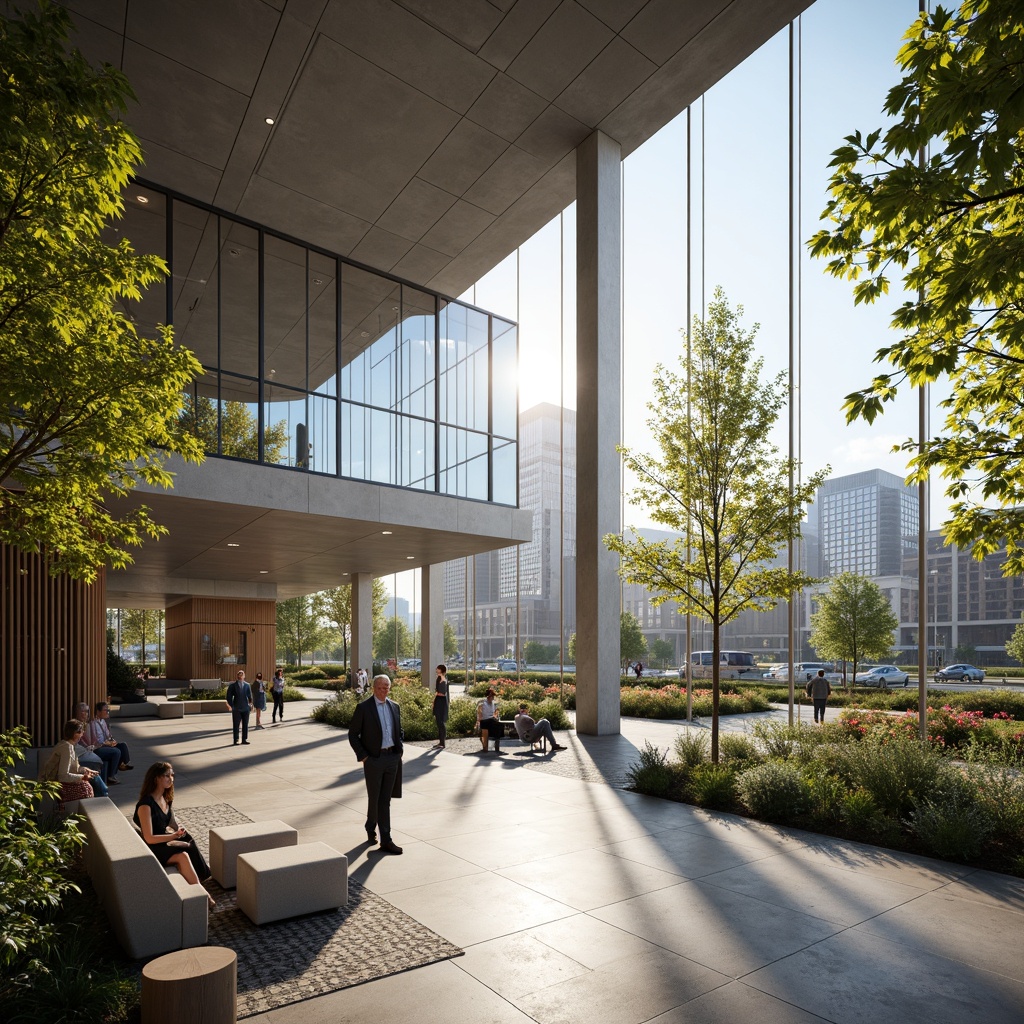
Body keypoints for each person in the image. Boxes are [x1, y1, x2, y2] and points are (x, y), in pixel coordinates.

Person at [134, 762, 214, 908]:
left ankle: (200, 883)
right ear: (156, 778)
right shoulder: (146, 805)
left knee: (188, 840)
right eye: (167, 776)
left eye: (172, 775)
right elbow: (149, 838)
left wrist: (178, 829)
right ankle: (204, 895)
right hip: (154, 847)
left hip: (163, 841)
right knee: (183, 855)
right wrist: (172, 836)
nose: (171, 779)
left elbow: (170, 821)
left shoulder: (166, 798)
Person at [348, 675, 404, 854]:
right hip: (374, 760)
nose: (384, 691)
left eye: (387, 687)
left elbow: (399, 730)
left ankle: (385, 839)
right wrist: (364, 757)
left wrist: (399, 750)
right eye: (381, 687)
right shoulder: (364, 708)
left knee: (385, 800)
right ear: (374, 688)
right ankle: (371, 826)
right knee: (375, 798)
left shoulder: (394, 706)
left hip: (392, 758)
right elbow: (353, 734)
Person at [40, 720, 108, 802]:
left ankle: (101, 800)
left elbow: (73, 767)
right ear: (75, 734)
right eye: (81, 732)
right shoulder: (66, 748)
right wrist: (83, 777)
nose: (82, 735)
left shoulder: (67, 745)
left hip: (59, 782)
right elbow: (63, 776)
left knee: (96, 779)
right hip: (56, 785)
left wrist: (85, 770)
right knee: (88, 788)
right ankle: (101, 803)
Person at [75, 701, 122, 784]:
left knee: (121, 746)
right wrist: (103, 744)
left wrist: (108, 741)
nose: (85, 714)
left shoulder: (89, 724)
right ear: (77, 713)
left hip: (94, 748)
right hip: (85, 751)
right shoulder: (79, 725)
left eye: (87, 711)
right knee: (115, 752)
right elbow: (89, 743)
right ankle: (109, 778)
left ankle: (109, 778)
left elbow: (96, 740)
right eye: (83, 711)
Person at [85, 701, 133, 773]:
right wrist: (105, 743)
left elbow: (108, 735)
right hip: (98, 747)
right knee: (117, 752)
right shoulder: (93, 723)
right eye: (105, 710)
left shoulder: (103, 722)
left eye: (108, 710)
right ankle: (112, 774)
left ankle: (122, 764)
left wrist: (111, 741)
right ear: (98, 712)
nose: (107, 712)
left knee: (123, 745)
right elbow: (94, 741)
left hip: (106, 744)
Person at [225, 669, 253, 745]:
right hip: (236, 708)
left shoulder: (247, 685)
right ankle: (236, 739)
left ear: (244, 676)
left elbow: (250, 696)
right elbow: (228, 697)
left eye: (242, 674)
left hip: (245, 707)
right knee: (236, 724)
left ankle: (244, 739)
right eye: (239, 674)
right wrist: (232, 706)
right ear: (237, 676)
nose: (241, 676)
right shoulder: (233, 686)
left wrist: (250, 705)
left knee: (245, 724)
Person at [476, 687, 503, 754]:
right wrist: (478, 721)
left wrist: (496, 715)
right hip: (485, 720)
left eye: (493, 697)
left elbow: (494, 713)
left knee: (499, 725)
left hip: (491, 720)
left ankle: (495, 743)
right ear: (488, 696)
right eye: (491, 696)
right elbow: (479, 714)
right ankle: (486, 747)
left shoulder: (493, 703)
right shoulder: (482, 703)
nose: (493, 698)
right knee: (488, 724)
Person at [432, 664, 449, 749]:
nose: (436, 669)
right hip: (438, 700)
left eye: (438, 669)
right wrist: (434, 702)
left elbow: (443, 692)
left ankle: (442, 743)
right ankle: (441, 742)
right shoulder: (438, 679)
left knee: (441, 722)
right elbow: (437, 692)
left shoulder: (443, 679)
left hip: (442, 701)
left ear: (441, 670)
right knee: (438, 722)